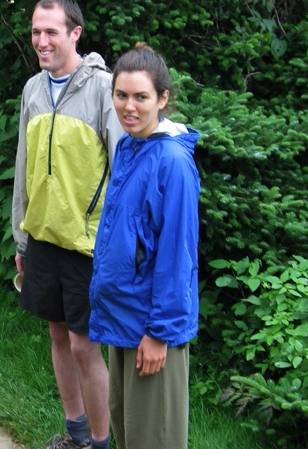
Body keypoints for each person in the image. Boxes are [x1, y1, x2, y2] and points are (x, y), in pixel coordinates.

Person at [12, 0, 123, 449]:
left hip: (86, 243)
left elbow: (121, 169)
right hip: (42, 237)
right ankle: (75, 433)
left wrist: (119, 246)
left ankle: (100, 442)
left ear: (75, 33)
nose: (41, 41)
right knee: (58, 336)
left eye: (51, 31)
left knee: (83, 344)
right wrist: (20, 239)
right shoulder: (33, 90)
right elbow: (23, 167)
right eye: (36, 31)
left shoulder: (102, 88)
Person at [88, 43, 201, 449]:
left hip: (151, 332)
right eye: (121, 95)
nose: (129, 107)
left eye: (141, 97)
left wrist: (161, 334)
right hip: (124, 321)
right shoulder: (130, 146)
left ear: (163, 99)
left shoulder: (172, 161)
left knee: (155, 441)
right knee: (129, 436)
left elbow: (177, 256)